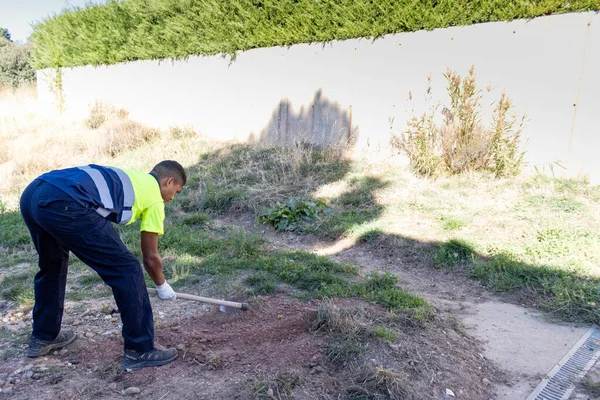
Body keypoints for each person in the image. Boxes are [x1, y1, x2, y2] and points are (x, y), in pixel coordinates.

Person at [19, 160, 186, 371]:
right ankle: (140, 349)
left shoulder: (132, 176)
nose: (172, 198)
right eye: (176, 191)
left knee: (52, 265)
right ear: (168, 181)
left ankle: (43, 336)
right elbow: (150, 258)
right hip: (66, 201)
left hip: (34, 193)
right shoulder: (155, 198)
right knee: (127, 268)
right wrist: (162, 286)